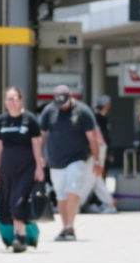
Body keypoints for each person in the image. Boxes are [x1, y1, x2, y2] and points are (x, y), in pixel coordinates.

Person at [39, 85, 101, 241]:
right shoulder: (49, 110)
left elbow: (92, 138)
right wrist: (39, 156)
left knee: (72, 189)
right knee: (60, 194)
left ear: (71, 96)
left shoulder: (83, 111)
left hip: (77, 158)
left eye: (65, 103)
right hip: (55, 159)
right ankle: (64, 226)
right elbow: (41, 136)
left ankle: (70, 227)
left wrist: (98, 160)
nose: (63, 106)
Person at [0, 87, 44, 252]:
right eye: (8, 99)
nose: (11, 102)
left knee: (18, 199)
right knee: (8, 200)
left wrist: (39, 167)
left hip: (26, 166)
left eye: (14, 98)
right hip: (7, 167)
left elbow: (36, 143)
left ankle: (18, 236)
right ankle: (20, 237)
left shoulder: (30, 119)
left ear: (21, 100)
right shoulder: (1, 120)